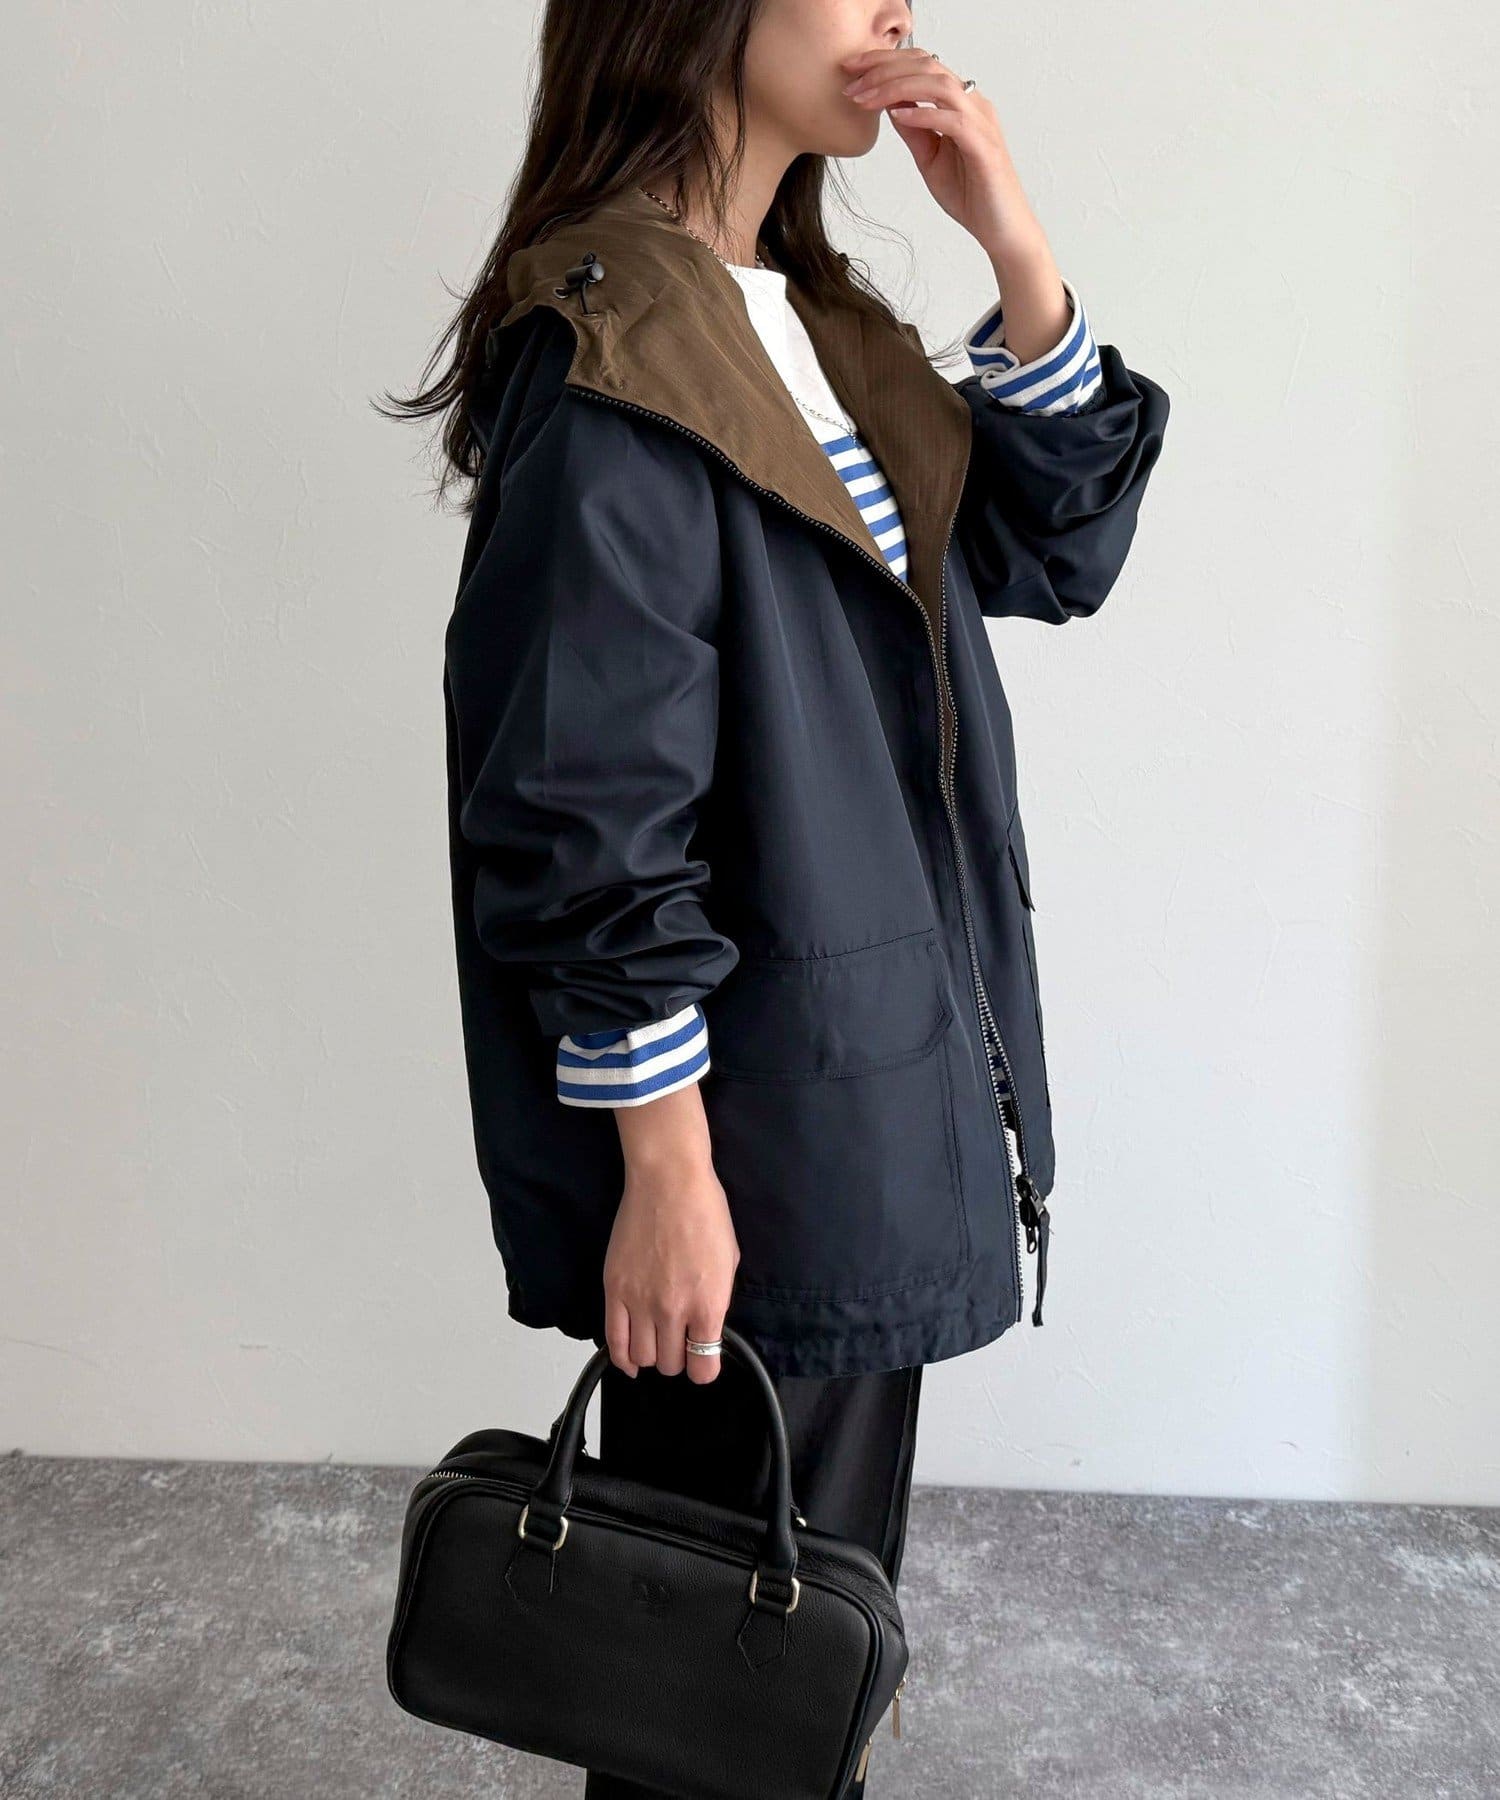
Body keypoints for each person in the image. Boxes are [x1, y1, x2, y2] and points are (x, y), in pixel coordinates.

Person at [382, 2, 1169, 1791]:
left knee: (774, 1684)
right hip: (752, 1148)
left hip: (856, 1107)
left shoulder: (805, 321)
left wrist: (1015, 246)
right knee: (718, 1699)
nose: (897, 9)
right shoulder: (623, 345)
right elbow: (584, 807)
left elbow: (1054, 547)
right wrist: (666, 1175)